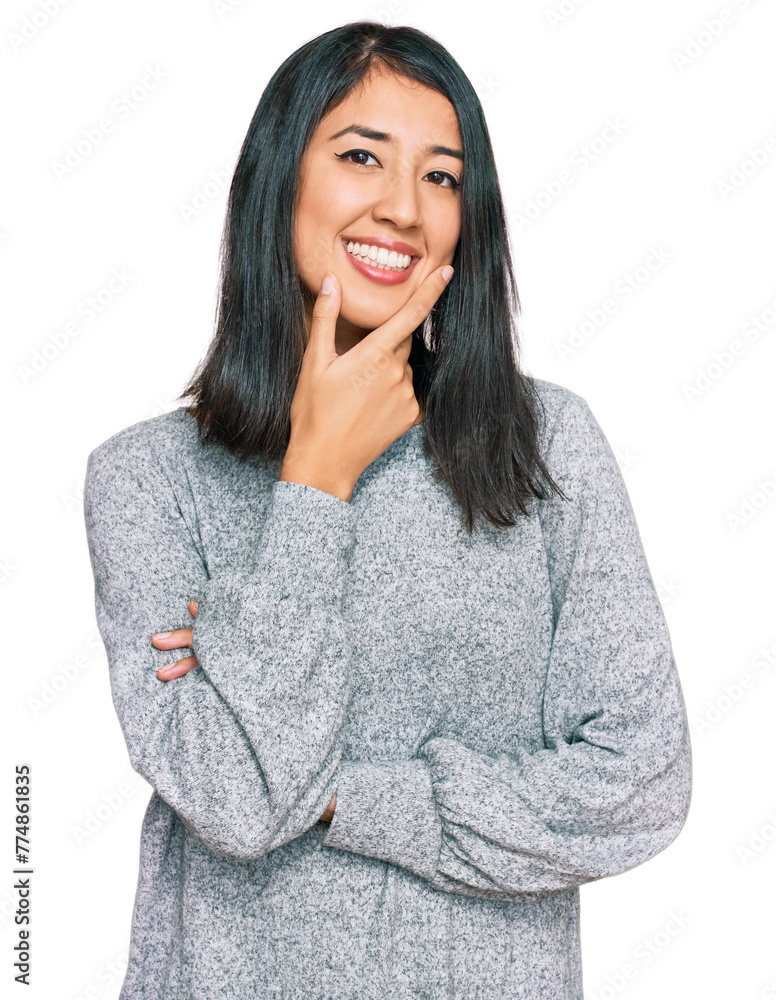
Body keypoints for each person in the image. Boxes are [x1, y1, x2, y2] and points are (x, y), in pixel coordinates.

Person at [82, 20, 693, 1000]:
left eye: (441, 176)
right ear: (279, 179)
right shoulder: (146, 481)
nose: (403, 207)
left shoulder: (544, 445)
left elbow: (638, 782)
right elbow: (237, 805)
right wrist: (314, 484)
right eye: (361, 156)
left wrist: (342, 798)